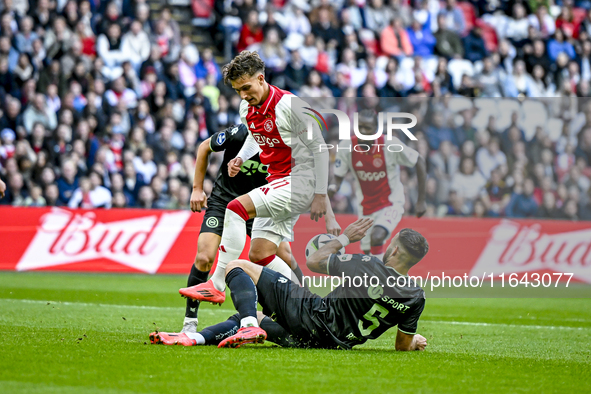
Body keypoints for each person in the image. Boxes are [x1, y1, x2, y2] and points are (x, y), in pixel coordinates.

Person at [178, 51, 333, 306]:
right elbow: (255, 135)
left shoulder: (291, 106)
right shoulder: (247, 107)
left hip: (300, 179)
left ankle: (216, 284)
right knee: (260, 255)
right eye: (238, 90)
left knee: (235, 208)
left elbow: (320, 148)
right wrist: (241, 157)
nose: (243, 95)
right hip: (278, 181)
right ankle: (306, 301)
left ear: (261, 79)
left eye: (247, 87)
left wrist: (319, 193)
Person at [150, 219, 429, 351]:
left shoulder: (368, 266)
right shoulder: (416, 297)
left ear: (393, 250)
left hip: (311, 317)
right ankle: (193, 338)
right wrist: (413, 341)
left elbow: (316, 260)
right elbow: (402, 346)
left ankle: (248, 325)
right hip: (325, 345)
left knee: (238, 266)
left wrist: (344, 238)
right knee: (251, 316)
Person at [180, 123, 335, 333]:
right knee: (204, 257)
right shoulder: (240, 134)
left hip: (258, 204)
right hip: (224, 199)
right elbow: (204, 147)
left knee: (285, 255)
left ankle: (307, 310)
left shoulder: (287, 145)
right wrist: (197, 189)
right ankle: (189, 323)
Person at [328, 110, 427, 259]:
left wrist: (421, 201)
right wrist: (328, 193)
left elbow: (419, 161)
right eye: (359, 127)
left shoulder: (390, 144)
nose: (362, 131)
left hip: (391, 202)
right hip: (366, 207)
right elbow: (337, 178)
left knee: (377, 236)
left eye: (367, 128)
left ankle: (383, 276)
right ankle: (384, 276)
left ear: (376, 129)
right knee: (369, 254)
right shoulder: (346, 147)